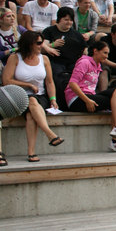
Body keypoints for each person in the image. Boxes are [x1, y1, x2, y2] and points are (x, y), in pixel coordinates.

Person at [2, 30, 64, 162]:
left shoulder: (44, 59)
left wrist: (53, 99)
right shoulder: (15, 58)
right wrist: (28, 85)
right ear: (29, 44)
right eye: (38, 43)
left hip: (40, 96)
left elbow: (49, 81)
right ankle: (49, 134)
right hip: (18, 97)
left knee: (31, 113)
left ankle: (32, 152)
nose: (41, 45)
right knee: (31, 101)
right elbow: (6, 80)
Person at [65, 41, 116, 152]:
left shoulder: (98, 65)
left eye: (108, 54)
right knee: (114, 101)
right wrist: (87, 101)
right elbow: (72, 84)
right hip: (76, 99)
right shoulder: (84, 62)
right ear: (95, 51)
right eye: (104, 53)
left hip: (90, 96)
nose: (106, 56)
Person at [42, 7, 87, 75]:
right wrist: (53, 45)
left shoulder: (76, 34)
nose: (69, 22)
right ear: (59, 19)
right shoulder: (49, 31)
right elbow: (42, 48)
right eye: (66, 20)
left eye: (71, 20)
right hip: (55, 62)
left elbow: (84, 49)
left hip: (72, 62)